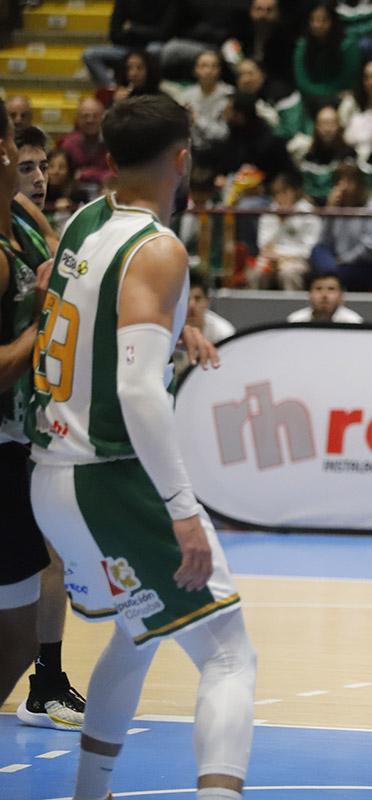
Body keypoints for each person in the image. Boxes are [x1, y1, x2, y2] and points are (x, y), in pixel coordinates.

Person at [26, 94, 256, 800]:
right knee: (228, 654)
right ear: (182, 160)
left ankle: (89, 792)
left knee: (138, 631)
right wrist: (182, 508)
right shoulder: (158, 249)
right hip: (110, 477)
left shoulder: (81, 221)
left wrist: (170, 327)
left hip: (51, 477)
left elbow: (67, 296)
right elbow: (137, 391)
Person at [0, 101, 90, 732]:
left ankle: (46, 680)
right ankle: (46, 680)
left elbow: (69, 272)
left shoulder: (30, 224)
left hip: (29, 423)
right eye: (21, 160)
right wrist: (46, 315)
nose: (34, 175)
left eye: (41, 165)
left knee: (49, 561)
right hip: (10, 423)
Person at [312, 163, 372, 291]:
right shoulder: (337, 208)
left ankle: (330, 275)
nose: (342, 187)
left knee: (334, 275)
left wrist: (345, 259)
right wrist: (330, 210)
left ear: (359, 185)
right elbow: (325, 242)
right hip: (341, 262)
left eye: (348, 181)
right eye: (339, 182)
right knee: (317, 250)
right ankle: (330, 274)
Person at [253, 171, 322, 290]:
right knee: (257, 274)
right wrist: (280, 222)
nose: (280, 197)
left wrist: (283, 257)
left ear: (295, 191)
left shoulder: (308, 212)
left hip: (297, 260)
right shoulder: (270, 212)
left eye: (284, 192)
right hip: (272, 259)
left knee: (287, 275)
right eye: (277, 193)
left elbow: (309, 249)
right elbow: (264, 245)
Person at [175, 50, 234, 167]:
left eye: (214, 66)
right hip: (191, 152)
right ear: (195, 70)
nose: (208, 70)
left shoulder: (229, 95)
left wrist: (197, 120)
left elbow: (223, 134)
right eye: (203, 66)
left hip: (220, 152)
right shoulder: (185, 96)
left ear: (219, 70)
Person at [58, 97, 112, 190]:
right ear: (77, 119)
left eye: (95, 116)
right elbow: (64, 175)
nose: (90, 120)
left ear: (103, 118)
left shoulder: (112, 142)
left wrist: (85, 174)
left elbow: (118, 173)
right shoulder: (68, 144)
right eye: (85, 116)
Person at [287, 272, 364, 323]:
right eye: (318, 289)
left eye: (331, 289)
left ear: (341, 296)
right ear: (309, 295)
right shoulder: (295, 321)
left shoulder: (353, 322)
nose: (324, 294)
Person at [187, 271, 237, 343]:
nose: (192, 305)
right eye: (186, 299)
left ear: (208, 301)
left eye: (197, 299)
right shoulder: (171, 329)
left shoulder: (224, 333)